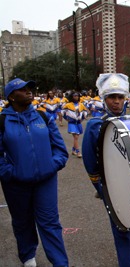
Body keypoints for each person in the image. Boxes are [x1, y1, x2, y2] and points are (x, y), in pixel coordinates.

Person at [0, 78, 69, 267]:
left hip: (45, 181)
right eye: (22, 90)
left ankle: (60, 263)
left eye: (29, 88)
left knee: (50, 223)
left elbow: (60, 148)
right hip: (15, 184)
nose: (28, 91)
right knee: (22, 222)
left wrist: (52, 165)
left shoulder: (43, 116)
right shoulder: (2, 120)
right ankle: (28, 255)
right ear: (11, 96)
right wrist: (10, 173)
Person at [82, 73, 130, 267]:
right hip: (112, 188)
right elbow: (90, 163)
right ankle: (128, 264)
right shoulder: (95, 125)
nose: (116, 102)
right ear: (104, 99)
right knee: (121, 228)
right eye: (111, 97)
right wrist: (103, 189)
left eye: (120, 97)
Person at [62, 93, 88, 158]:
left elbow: (85, 112)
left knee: (76, 137)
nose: (76, 97)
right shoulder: (68, 105)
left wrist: (82, 119)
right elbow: (62, 111)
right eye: (74, 96)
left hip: (78, 123)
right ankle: (78, 151)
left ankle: (73, 150)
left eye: (77, 96)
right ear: (72, 97)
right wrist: (66, 118)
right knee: (76, 137)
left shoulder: (81, 105)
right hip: (72, 123)